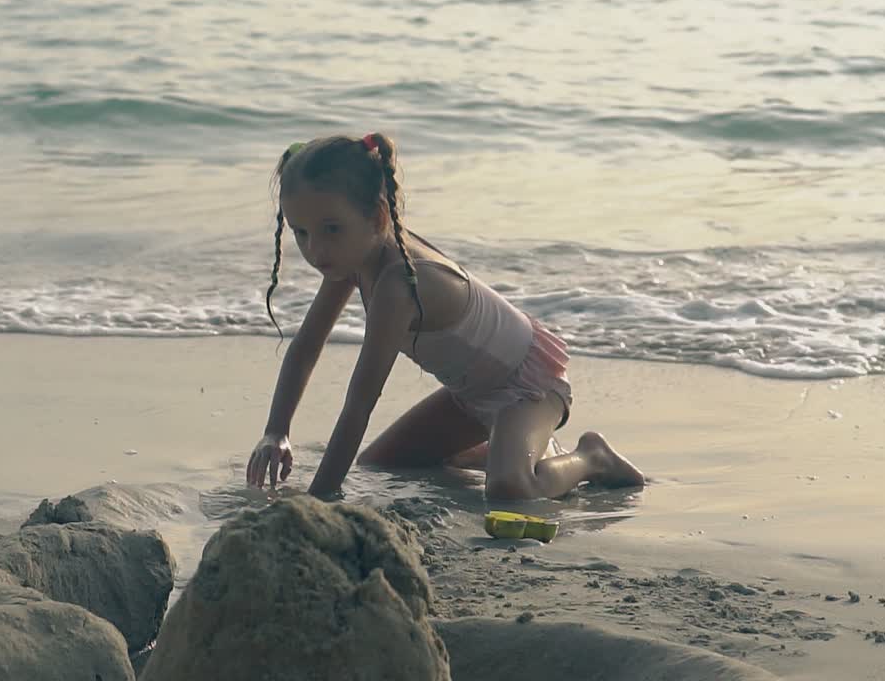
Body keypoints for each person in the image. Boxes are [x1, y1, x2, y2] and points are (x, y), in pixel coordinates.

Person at [244, 133, 645, 500]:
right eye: (301, 233)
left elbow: (359, 403)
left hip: (528, 385)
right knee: (383, 464)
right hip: (470, 396)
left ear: (378, 218)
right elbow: (306, 347)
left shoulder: (398, 284)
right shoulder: (350, 257)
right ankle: (513, 447)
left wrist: (319, 501)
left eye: (331, 229)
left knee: (510, 489)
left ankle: (591, 457)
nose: (315, 250)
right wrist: (276, 431)